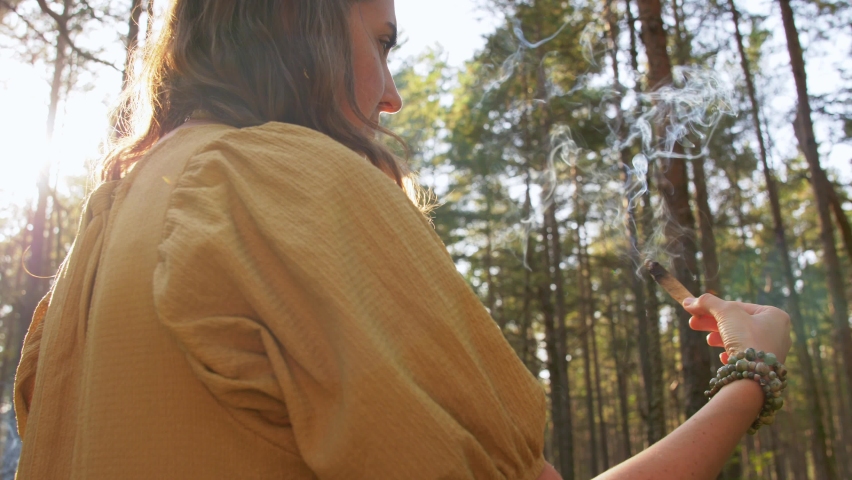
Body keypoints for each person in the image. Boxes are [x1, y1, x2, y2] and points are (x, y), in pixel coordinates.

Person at [13, 0, 792, 478]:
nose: (390, 96)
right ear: (297, 19)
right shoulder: (284, 185)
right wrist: (751, 376)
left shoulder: (107, 223)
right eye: (382, 43)